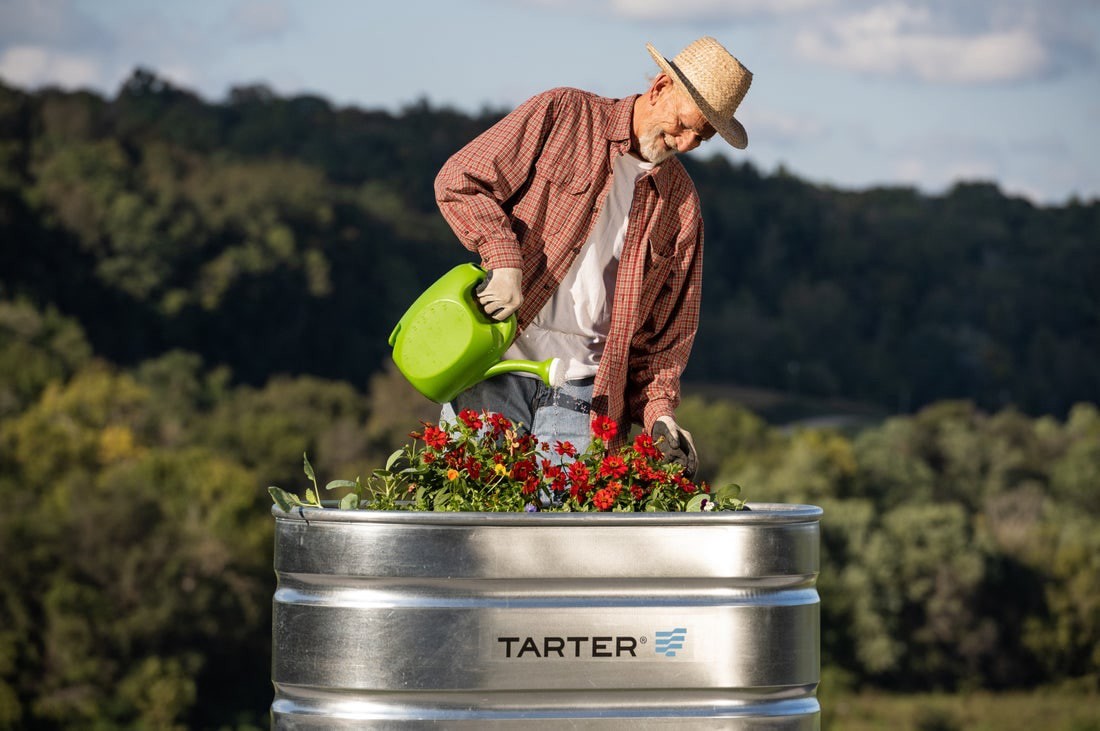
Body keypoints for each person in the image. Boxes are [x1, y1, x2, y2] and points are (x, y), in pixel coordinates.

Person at [434, 36, 752, 478]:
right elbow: (460, 180)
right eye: (684, 125)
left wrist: (660, 413)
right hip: (496, 364)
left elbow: (666, 337)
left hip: (586, 395)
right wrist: (504, 258)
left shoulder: (681, 205)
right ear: (660, 88)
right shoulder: (564, 115)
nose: (686, 143)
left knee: (563, 545)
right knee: (470, 527)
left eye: (702, 137)